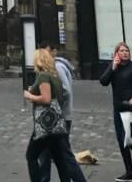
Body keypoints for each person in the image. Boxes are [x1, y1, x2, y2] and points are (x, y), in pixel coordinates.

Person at [24, 47, 86, 182]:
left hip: (46, 124)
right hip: (57, 122)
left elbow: (46, 99)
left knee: (31, 155)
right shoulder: (54, 76)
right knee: (59, 158)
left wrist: (30, 95)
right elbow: (62, 95)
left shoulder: (43, 76)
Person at [99, 42, 132, 182]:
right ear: (116, 53)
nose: (125, 52)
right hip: (118, 107)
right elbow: (103, 81)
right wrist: (112, 68)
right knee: (121, 141)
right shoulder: (114, 66)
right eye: (122, 50)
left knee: (131, 141)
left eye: (127, 50)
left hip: (131, 108)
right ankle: (129, 171)